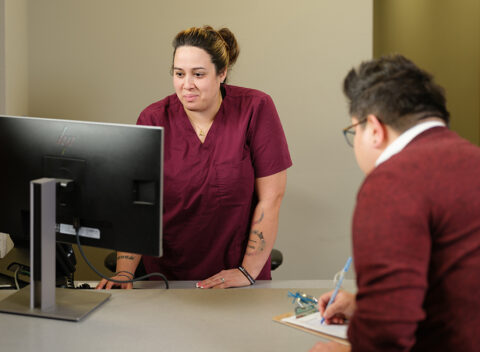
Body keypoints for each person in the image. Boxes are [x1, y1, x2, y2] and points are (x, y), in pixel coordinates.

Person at [96, 26, 292, 289]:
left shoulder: (256, 109)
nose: (186, 85)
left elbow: (271, 198)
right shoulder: (153, 119)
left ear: (221, 73)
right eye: (179, 74)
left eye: (198, 74)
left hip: (236, 277)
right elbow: (138, 205)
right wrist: (124, 273)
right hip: (167, 279)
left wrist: (247, 272)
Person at [310, 55, 480, 351]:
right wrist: (363, 305)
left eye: (354, 131)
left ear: (374, 128)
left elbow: (384, 336)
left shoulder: (392, 182)